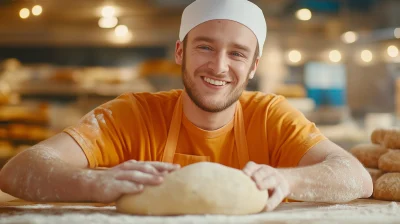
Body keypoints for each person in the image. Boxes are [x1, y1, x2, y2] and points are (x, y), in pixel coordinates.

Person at [0, 0, 372, 212]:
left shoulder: (270, 115)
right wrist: (93, 183)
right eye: (205, 47)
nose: (219, 66)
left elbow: (355, 177)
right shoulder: (132, 114)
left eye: (237, 54)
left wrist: (287, 179)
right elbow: (21, 170)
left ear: (254, 66)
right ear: (181, 51)